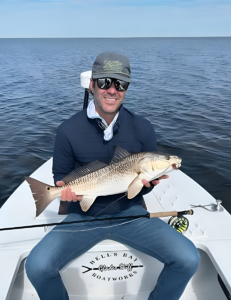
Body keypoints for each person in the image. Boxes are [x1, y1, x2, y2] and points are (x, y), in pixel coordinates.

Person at [25, 52, 200, 300]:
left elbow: (138, 189)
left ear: (127, 88)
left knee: (188, 258)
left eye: (121, 84)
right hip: (82, 217)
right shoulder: (67, 130)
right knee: (37, 267)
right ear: (92, 84)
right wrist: (63, 192)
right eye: (105, 82)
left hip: (131, 215)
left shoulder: (143, 128)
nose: (112, 90)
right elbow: (62, 177)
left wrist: (148, 185)